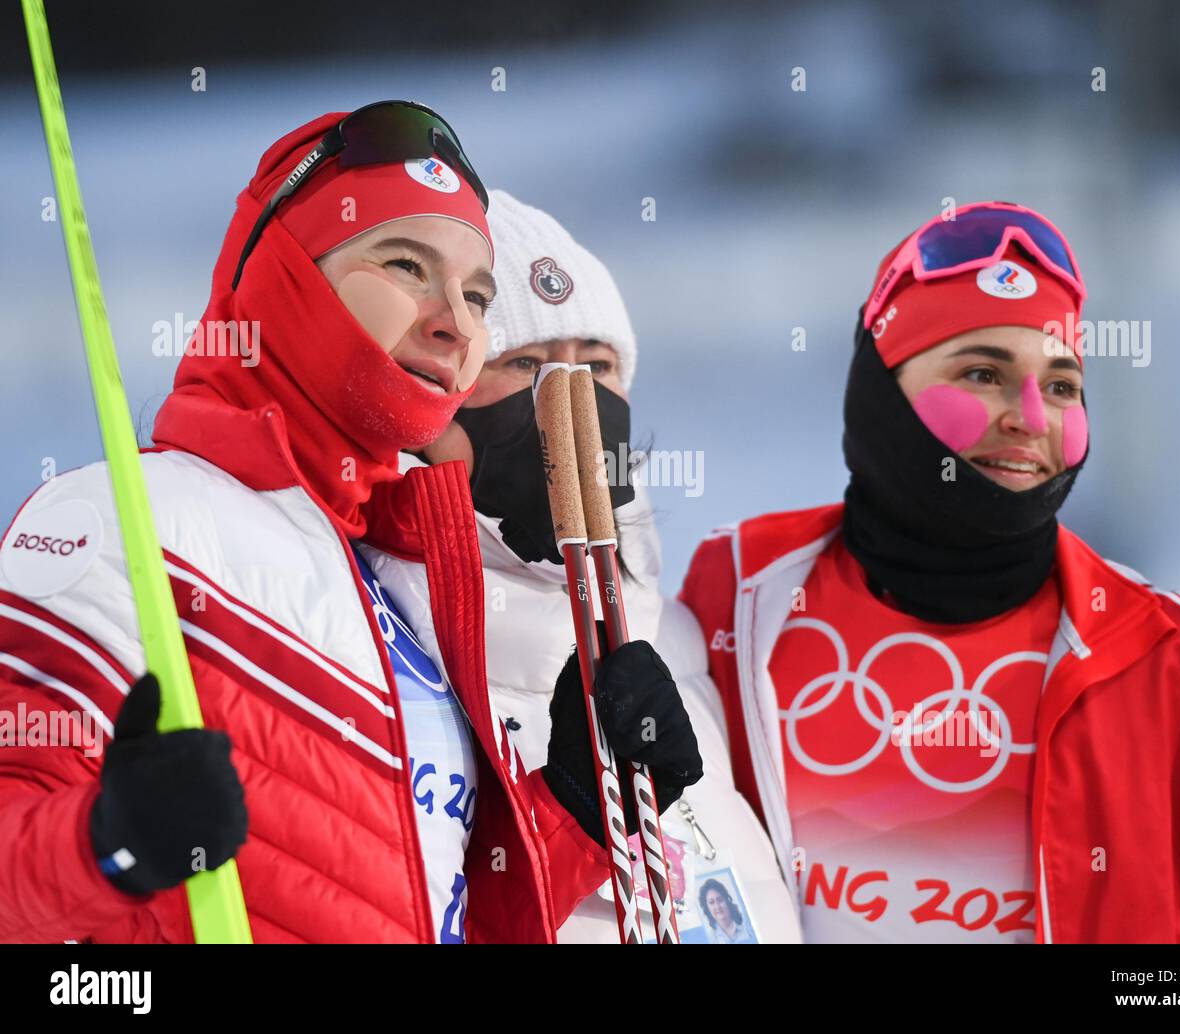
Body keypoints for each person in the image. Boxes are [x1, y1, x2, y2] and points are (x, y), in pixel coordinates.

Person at [0, 102, 699, 943]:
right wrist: (107, 847)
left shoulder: (401, 578)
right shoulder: (123, 522)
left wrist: (573, 811)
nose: (455, 320)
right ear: (285, 274)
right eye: (406, 264)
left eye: (476, 295)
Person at [680, 201, 1180, 944]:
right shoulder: (742, 595)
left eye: (1063, 385)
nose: (1031, 416)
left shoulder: (1173, 658)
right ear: (881, 393)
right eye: (982, 372)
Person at [412, 190, 801, 943]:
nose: (571, 401)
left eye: (596, 365)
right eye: (522, 363)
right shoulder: (390, 634)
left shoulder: (677, 633)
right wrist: (563, 812)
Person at [698, 878, 754, 944]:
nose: (717, 906)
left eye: (720, 900)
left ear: (727, 900)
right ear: (707, 908)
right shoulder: (710, 938)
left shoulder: (748, 925)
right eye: (711, 902)